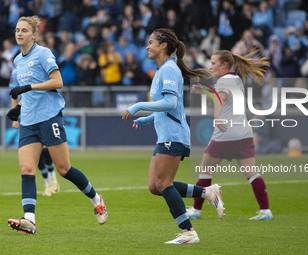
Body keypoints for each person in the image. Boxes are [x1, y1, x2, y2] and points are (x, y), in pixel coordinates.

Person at [6, 16, 108, 235]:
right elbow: (18, 91)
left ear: (34, 35)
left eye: (24, 30)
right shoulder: (17, 61)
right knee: (26, 169)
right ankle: (30, 220)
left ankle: (96, 199)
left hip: (50, 117)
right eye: (17, 30)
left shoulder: (43, 53)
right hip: (29, 121)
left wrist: (28, 88)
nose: (19, 33)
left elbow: (57, 82)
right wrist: (17, 111)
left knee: (63, 169)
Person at [122, 28, 224, 244]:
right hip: (165, 136)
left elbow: (171, 103)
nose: (147, 46)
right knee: (154, 186)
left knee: (164, 183)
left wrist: (139, 106)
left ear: (163, 45)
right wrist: (146, 119)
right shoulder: (161, 70)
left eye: (151, 42)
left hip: (174, 136)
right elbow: (166, 108)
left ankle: (188, 232)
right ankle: (206, 192)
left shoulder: (169, 69)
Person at [188, 49, 273, 221]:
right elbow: (223, 95)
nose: (210, 66)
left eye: (213, 63)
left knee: (205, 170)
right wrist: (205, 90)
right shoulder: (235, 79)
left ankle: (196, 210)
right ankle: (265, 211)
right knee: (252, 174)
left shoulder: (223, 81)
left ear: (224, 64)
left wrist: (217, 116)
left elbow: (222, 98)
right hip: (244, 133)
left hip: (225, 133)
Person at [8, 69, 60, 197]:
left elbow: (53, 85)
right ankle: (48, 183)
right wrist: (15, 115)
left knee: (46, 149)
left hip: (44, 113)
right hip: (28, 116)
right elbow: (14, 93)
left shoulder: (41, 65)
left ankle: (53, 176)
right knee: (34, 155)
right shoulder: (17, 70)